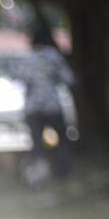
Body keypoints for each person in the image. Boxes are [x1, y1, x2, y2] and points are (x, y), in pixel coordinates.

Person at [19, 20, 76, 184]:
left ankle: (36, 177)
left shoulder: (28, 58)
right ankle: (61, 174)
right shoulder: (54, 56)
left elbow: (23, 81)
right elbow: (69, 79)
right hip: (52, 107)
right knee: (62, 140)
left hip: (33, 108)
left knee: (37, 144)